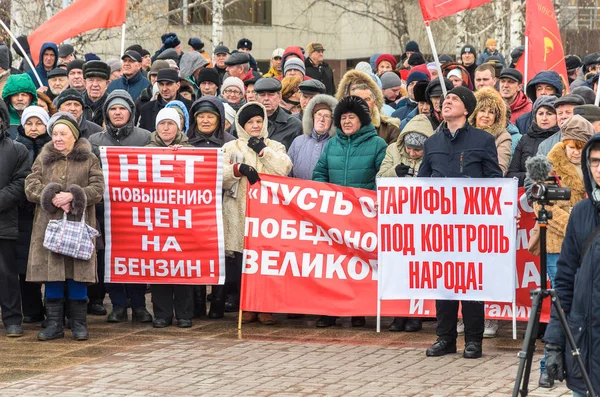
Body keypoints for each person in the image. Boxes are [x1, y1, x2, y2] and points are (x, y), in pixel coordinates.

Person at [420, 86, 502, 359]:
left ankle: (474, 340)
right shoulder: (432, 142)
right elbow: (421, 184)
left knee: (470, 282)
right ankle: (445, 338)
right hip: (440, 226)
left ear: (466, 109)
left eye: (453, 99)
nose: (447, 103)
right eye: (445, 100)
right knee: (443, 282)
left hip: (471, 226)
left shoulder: (483, 140)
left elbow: (494, 181)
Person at [24, 112, 104, 341]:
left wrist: (73, 195)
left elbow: (98, 188)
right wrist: (51, 195)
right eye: (55, 133)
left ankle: (79, 325)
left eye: (63, 133)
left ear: (74, 136)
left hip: (77, 227)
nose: (58, 138)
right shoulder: (44, 156)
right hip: (48, 226)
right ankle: (54, 325)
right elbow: (30, 185)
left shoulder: (89, 158)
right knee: (53, 275)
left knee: (77, 274)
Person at [312, 95, 387, 328]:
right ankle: (329, 312)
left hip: (363, 217)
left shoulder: (377, 145)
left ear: (361, 120)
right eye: (343, 117)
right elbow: (320, 173)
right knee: (333, 264)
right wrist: (325, 196)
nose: (346, 121)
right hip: (334, 217)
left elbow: (382, 178)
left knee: (359, 265)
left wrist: (371, 200)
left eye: (351, 117)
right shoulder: (332, 144)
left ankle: (358, 312)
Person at [534, 115, 593, 389]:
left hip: (588, 242)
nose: (574, 150)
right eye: (571, 144)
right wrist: (576, 223)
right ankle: (549, 363)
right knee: (561, 302)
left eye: (580, 146)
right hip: (560, 244)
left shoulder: (591, 167)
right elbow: (542, 204)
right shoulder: (550, 165)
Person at [223, 103, 292, 325]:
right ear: (242, 125)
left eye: (258, 121)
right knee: (243, 263)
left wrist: (263, 150)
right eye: (250, 122)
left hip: (267, 214)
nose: (255, 125)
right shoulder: (231, 147)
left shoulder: (275, 146)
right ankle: (247, 305)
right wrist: (237, 170)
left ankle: (265, 307)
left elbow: (285, 168)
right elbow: (218, 174)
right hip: (238, 212)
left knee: (265, 262)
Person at [543, 133, 600, 396]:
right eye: (595, 161)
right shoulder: (581, 212)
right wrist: (554, 345)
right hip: (585, 345)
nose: (599, 169)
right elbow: (564, 282)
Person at [88, 90, 152, 323]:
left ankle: (139, 305)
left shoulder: (146, 138)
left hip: (137, 211)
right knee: (109, 259)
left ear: (131, 112)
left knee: (135, 258)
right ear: (106, 113)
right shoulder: (95, 141)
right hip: (106, 211)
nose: (117, 112)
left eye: (122, 108)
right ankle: (117, 305)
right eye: (113, 109)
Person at [378, 114, 434, 334]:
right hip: (398, 220)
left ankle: (416, 315)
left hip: (423, 219)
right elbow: (380, 177)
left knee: (419, 269)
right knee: (399, 268)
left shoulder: (432, 156)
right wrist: (394, 173)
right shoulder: (393, 151)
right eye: (409, 149)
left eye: (417, 151)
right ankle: (399, 314)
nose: (412, 153)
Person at [146, 109, 194, 328]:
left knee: (183, 268)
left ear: (179, 127)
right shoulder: (146, 152)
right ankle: (162, 314)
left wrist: (182, 156)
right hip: (157, 219)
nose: (166, 128)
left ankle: (184, 314)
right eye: (162, 123)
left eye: (170, 124)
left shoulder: (190, 150)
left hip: (183, 219)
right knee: (160, 268)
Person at [15, 106, 51, 324]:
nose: (34, 128)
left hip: (48, 213)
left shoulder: (53, 147)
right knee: (24, 264)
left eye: (39, 123)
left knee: (50, 263)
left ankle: (53, 309)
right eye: (29, 123)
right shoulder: (17, 148)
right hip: (22, 214)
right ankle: (31, 308)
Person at [0, 101, 30, 337]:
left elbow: (21, 184)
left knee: (7, 276)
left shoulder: (17, 150)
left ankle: (12, 319)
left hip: (4, 224)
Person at [336, 69, 400, 144]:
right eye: (358, 98)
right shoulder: (339, 128)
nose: (362, 103)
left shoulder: (390, 130)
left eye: (366, 99)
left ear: (374, 101)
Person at [508, 96, 559, 186]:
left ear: (557, 116)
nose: (544, 118)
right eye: (540, 113)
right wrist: (534, 177)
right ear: (535, 116)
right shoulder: (525, 140)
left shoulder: (561, 139)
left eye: (549, 114)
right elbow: (511, 175)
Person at [288, 94, 338, 180]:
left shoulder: (337, 144)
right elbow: (287, 170)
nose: (321, 119)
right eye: (318, 114)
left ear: (332, 121)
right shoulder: (298, 142)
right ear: (312, 117)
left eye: (327, 116)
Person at [469, 87, 512, 177]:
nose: (486, 115)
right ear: (475, 113)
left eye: (491, 112)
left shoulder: (503, 137)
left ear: (497, 116)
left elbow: (501, 169)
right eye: (482, 110)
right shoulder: (465, 133)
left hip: (488, 186)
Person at [254, 77, 303, 151]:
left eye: (271, 94)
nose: (266, 98)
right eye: (262, 95)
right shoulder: (245, 122)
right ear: (256, 98)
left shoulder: (294, 126)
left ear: (280, 97)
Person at [515, 70, 563, 135]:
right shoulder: (522, 121)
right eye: (539, 89)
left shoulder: (564, 119)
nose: (543, 92)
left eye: (548, 88)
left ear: (556, 91)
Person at [2, 73, 37, 140]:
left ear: (31, 97)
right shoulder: (2, 118)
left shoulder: (40, 116)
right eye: (15, 95)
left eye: (24, 95)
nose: (20, 98)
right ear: (9, 97)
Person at [82, 61, 111, 127]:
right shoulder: (77, 104)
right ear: (85, 83)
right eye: (91, 80)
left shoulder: (112, 105)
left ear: (107, 84)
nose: (95, 85)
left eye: (99, 80)